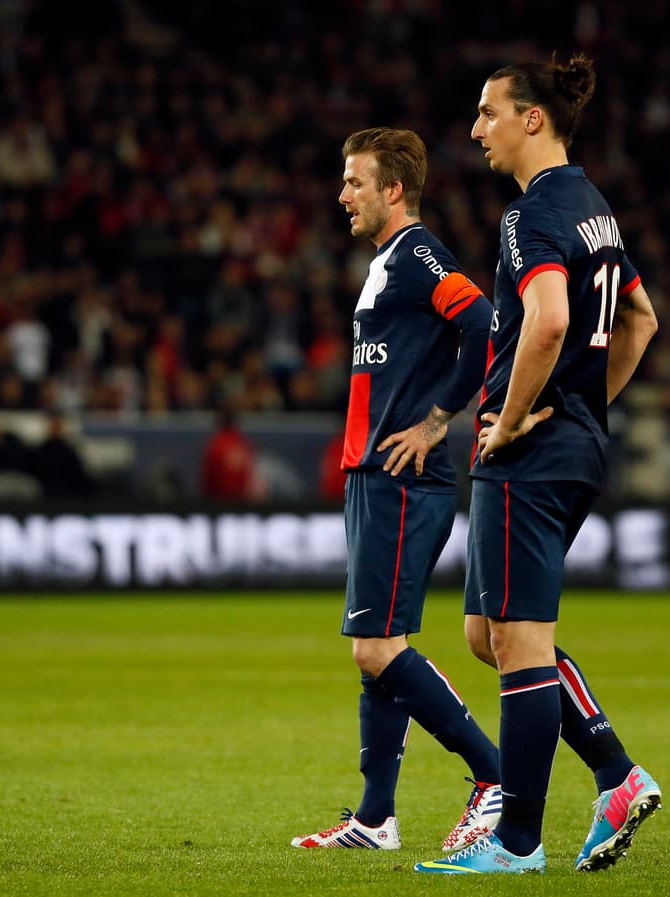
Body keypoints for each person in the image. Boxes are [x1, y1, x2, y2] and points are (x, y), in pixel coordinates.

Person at [414, 54, 661, 875]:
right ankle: (616, 774)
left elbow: (549, 320)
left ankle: (517, 840)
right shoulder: (595, 207)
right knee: (489, 634)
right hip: (575, 442)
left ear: (532, 120)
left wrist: (512, 420)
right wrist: (588, 407)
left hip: (527, 450)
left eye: (488, 112)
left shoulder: (531, 215)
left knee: (518, 638)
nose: (476, 128)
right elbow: (641, 321)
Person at [291, 128, 501, 851]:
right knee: (376, 646)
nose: (342, 194)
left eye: (354, 182)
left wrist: (438, 418)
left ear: (392, 190)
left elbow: (486, 324)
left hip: (404, 479)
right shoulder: (387, 261)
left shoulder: (415, 253)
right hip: (373, 477)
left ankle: (493, 774)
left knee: (376, 649)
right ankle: (375, 817)